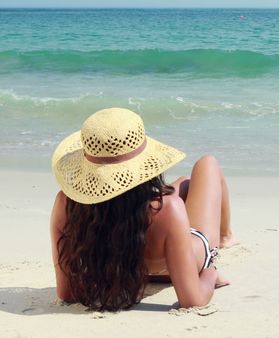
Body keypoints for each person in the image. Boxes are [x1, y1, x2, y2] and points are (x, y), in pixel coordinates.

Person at [49, 107, 235, 311]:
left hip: (122, 268)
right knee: (207, 165)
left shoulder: (65, 203)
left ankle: (221, 234)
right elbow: (193, 300)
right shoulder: (168, 209)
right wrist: (210, 270)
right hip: (175, 266)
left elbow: (66, 293)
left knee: (185, 184)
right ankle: (226, 237)